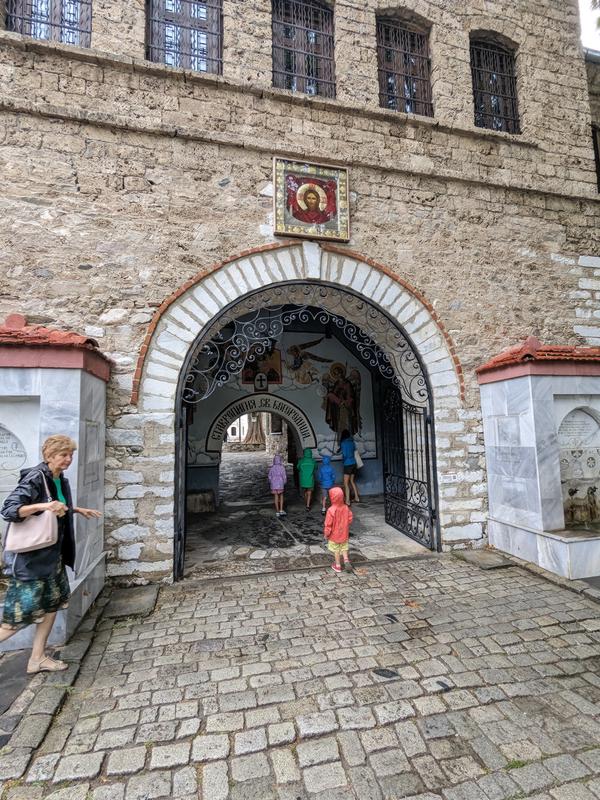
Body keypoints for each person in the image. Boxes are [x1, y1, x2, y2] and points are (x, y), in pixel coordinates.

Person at [0, 435, 101, 674]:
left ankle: (37, 658)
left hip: (52, 559)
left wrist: (75, 509)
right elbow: (10, 509)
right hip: (31, 563)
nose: (68, 459)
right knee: (16, 619)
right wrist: (44, 506)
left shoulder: (58, 479)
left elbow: (56, 507)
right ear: (49, 456)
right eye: (63, 455)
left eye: (70, 455)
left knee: (51, 606)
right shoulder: (36, 478)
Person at [324, 486, 353, 573]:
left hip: (334, 535)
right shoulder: (346, 507)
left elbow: (328, 524)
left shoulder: (331, 510)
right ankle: (346, 560)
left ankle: (338, 566)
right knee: (344, 546)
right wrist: (345, 524)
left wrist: (326, 534)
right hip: (344, 533)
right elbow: (350, 518)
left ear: (332, 497)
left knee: (336, 549)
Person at [339, 429, 360, 505]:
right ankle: (357, 498)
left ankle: (347, 501)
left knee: (346, 483)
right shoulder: (352, 442)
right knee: (352, 481)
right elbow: (354, 451)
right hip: (354, 463)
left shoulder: (343, 443)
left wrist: (343, 460)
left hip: (347, 464)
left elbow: (344, 455)